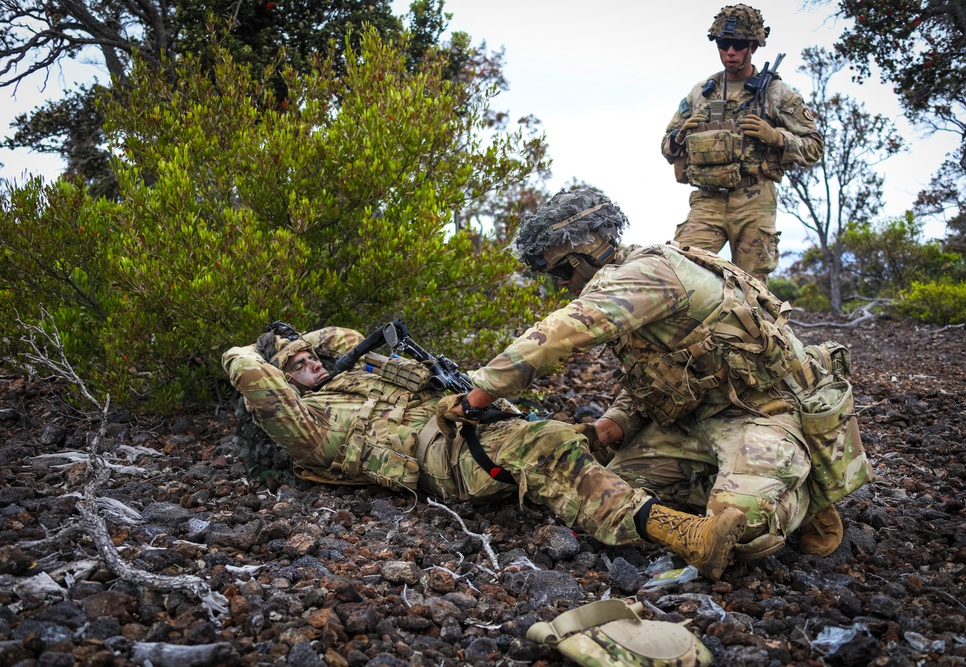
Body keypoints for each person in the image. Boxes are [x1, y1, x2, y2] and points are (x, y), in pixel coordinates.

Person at [450, 188, 873, 579]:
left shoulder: (647, 273)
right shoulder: (624, 283)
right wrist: (612, 424)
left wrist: (479, 393)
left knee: (744, 530)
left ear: (586, 253)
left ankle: (810, 493)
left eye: (561, 270)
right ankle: (727, 480)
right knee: (604, 495)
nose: (560, 283)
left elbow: (559, 334)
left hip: (762, 411)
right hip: (693, 420)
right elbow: (653, 379)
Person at [223, 323, 748, 580]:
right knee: (548, 449)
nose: (313, 362)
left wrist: (298, 342)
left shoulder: (359, 375)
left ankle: (725, 509)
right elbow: (250, 373)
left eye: (313, 357)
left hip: (477, 429)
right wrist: (253, 350)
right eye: (298, 365)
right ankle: (686, 535)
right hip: (448, 461)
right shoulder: (311, 426)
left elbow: (347, 337)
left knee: (590, 440)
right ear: (282, 383)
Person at [661, 4, 823, 284]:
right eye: (724, 44)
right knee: (679, 271)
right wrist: (678, 137)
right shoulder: (702, 92)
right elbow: (666, 147)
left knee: (752, 287)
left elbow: (814, 146)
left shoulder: (777, 94)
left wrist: (777, 137)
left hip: (754, 198)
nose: (730, 52)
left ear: (753, 46)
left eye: (737, 45)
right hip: (707, 199)